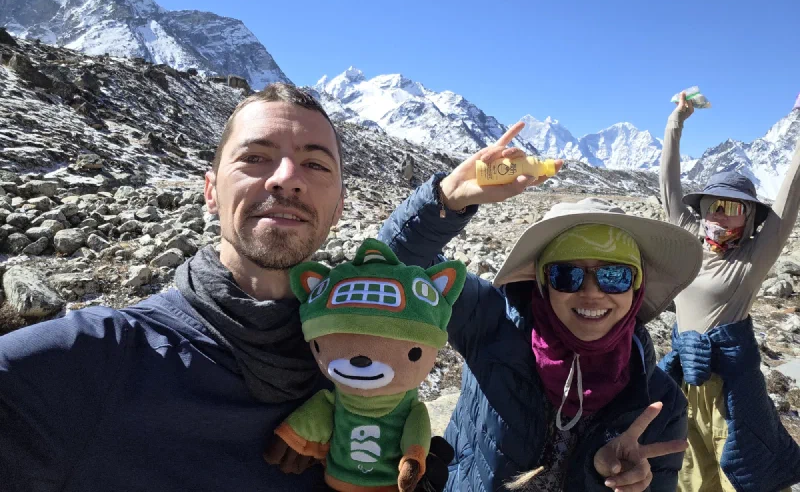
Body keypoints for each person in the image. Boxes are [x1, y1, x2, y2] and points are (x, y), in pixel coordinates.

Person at [0, 83, 451, 492]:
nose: (287, 177)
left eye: (315, 163)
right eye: (255, 157)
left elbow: (393, 273)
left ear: (338, 209)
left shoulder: (367, 350)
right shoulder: (100, 360)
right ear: (211, 191)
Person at [378, 125, 702, 492]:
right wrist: (447, 199)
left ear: (637, 288)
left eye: (615, 276)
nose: (593, 293)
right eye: (567, 275)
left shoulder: (659, 405)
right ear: (542, 284)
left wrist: (612, 481)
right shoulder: (490, 322)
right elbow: (391, 268)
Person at [658, 92, 800, 492]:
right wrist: (677, 120)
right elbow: (667, 180)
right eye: (714, 205)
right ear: (701, 209)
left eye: (734, 208)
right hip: (683, 376)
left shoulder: (752, 258)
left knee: (731, 476)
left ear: (749, 217)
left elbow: (790, 197)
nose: (721, 214)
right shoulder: (688, 237)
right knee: (686, 474)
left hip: (728, 389)